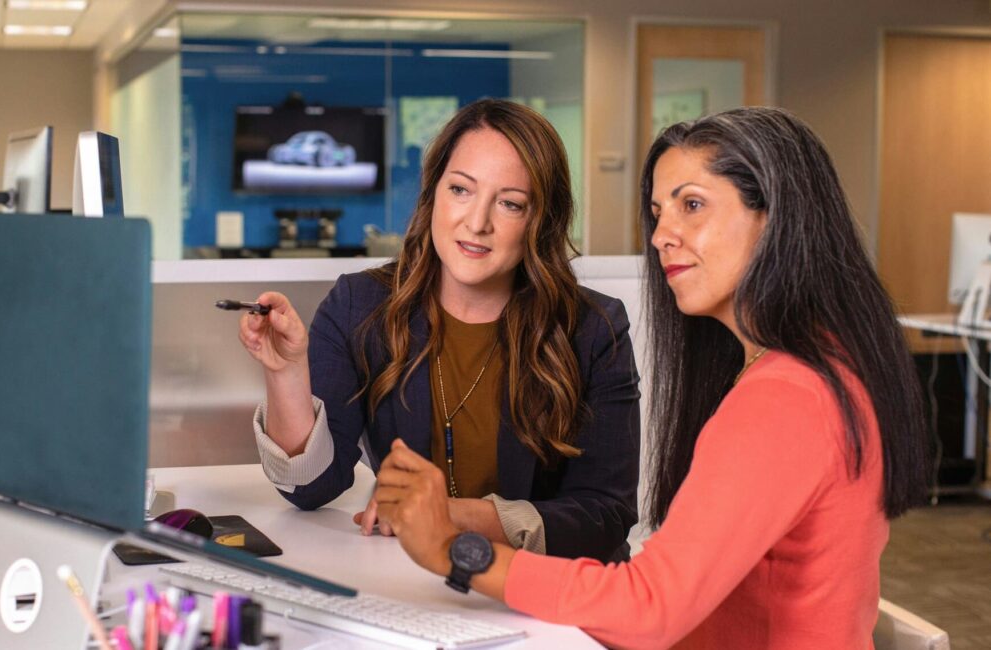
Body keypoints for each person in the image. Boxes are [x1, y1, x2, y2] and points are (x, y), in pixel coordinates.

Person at [372, 106, 931, 648]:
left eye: (692, 205)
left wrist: (455, 551)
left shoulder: (786, 396)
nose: (662, 233)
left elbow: (651, 609)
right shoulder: (827, 365)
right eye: (659, 211)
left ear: (777, 218)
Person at [238, 99, 641, 562]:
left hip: (544, 594)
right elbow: (311, 488)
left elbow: (604, 516)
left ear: (539, 221)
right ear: (434, 194)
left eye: (510, 203)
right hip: (414, 583)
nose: (477, 223)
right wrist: (287, 372)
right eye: (461, 190)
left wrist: (450, 515)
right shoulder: (360, 306)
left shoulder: (593, 329)